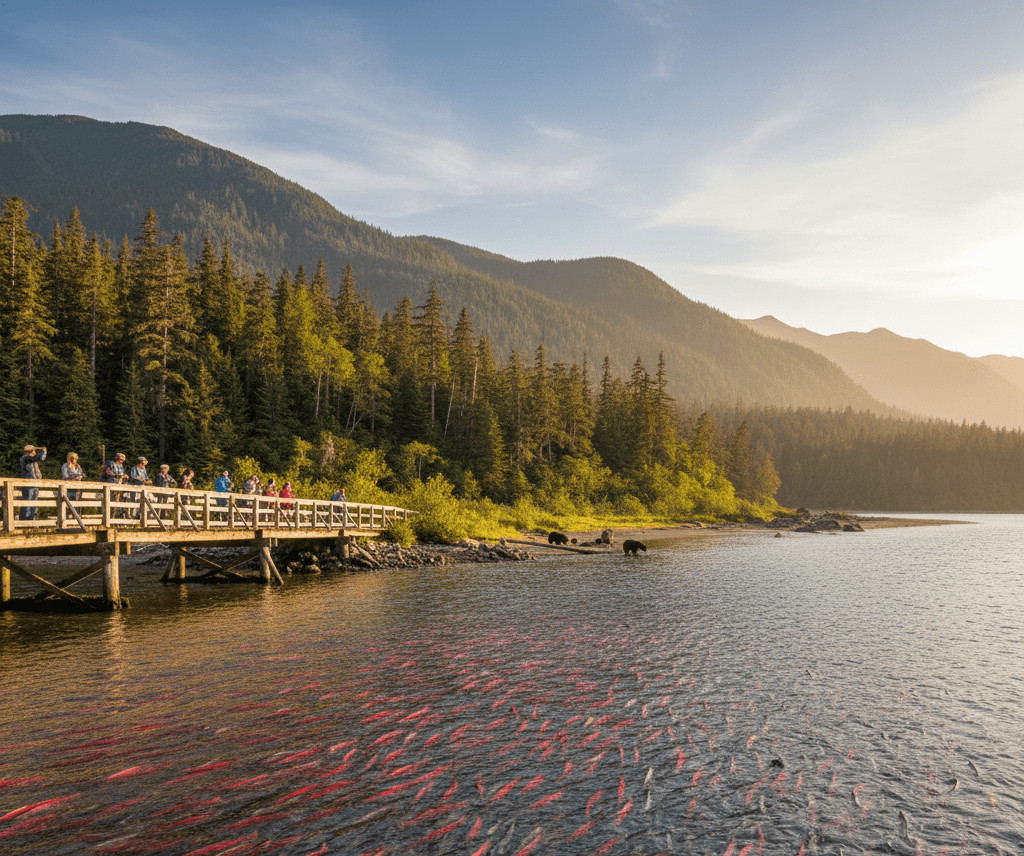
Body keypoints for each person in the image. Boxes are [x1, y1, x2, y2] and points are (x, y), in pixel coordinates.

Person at [18, 444, 47, 521]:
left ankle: (31, 521)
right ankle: (25, 522)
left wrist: (43, 451)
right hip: (28, 484)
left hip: (35, 484)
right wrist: (42, 450)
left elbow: (41, 458)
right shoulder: (24, 458)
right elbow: (38, 457)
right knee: (28, 503)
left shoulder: (32, 459)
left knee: (34, 504)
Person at [103, 452, 128, 517]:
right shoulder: (110, 463)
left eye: (123, 460)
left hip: (118, 485)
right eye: (121, 460)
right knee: (108, 501)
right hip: (109, 485)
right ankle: (108, 517)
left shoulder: (121, 466)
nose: (121, 461)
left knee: (116, 501)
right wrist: (118, 475)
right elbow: (107, 472)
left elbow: (122, 473)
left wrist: (124, 476)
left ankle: (113, 517)